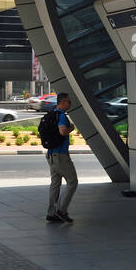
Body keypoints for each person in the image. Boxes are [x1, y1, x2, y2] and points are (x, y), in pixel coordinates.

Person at [45, 93, 77, 223]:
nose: (70, 104)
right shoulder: (62, 116)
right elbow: (63, 131)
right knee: (72, 182)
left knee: (55, 184)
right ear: (62, 102)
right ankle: (61, 210)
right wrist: (71, 128)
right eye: (68, 102)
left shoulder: (52, 114)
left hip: (51, 155)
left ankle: (51, 213)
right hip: (61, 155)